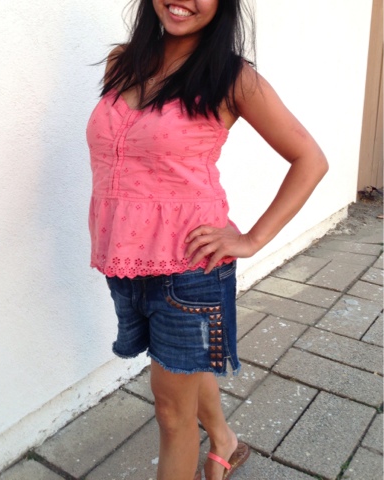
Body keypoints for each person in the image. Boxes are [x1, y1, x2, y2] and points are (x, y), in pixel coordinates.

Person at [86, 1, 328, 479]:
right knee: (184, 367)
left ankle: (214, 444)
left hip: (190, 270)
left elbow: (310, 160)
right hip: (125, 262)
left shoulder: (233, 78)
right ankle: (225, 440)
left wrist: (253, 239)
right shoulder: (122, 61)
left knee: (171, 410)